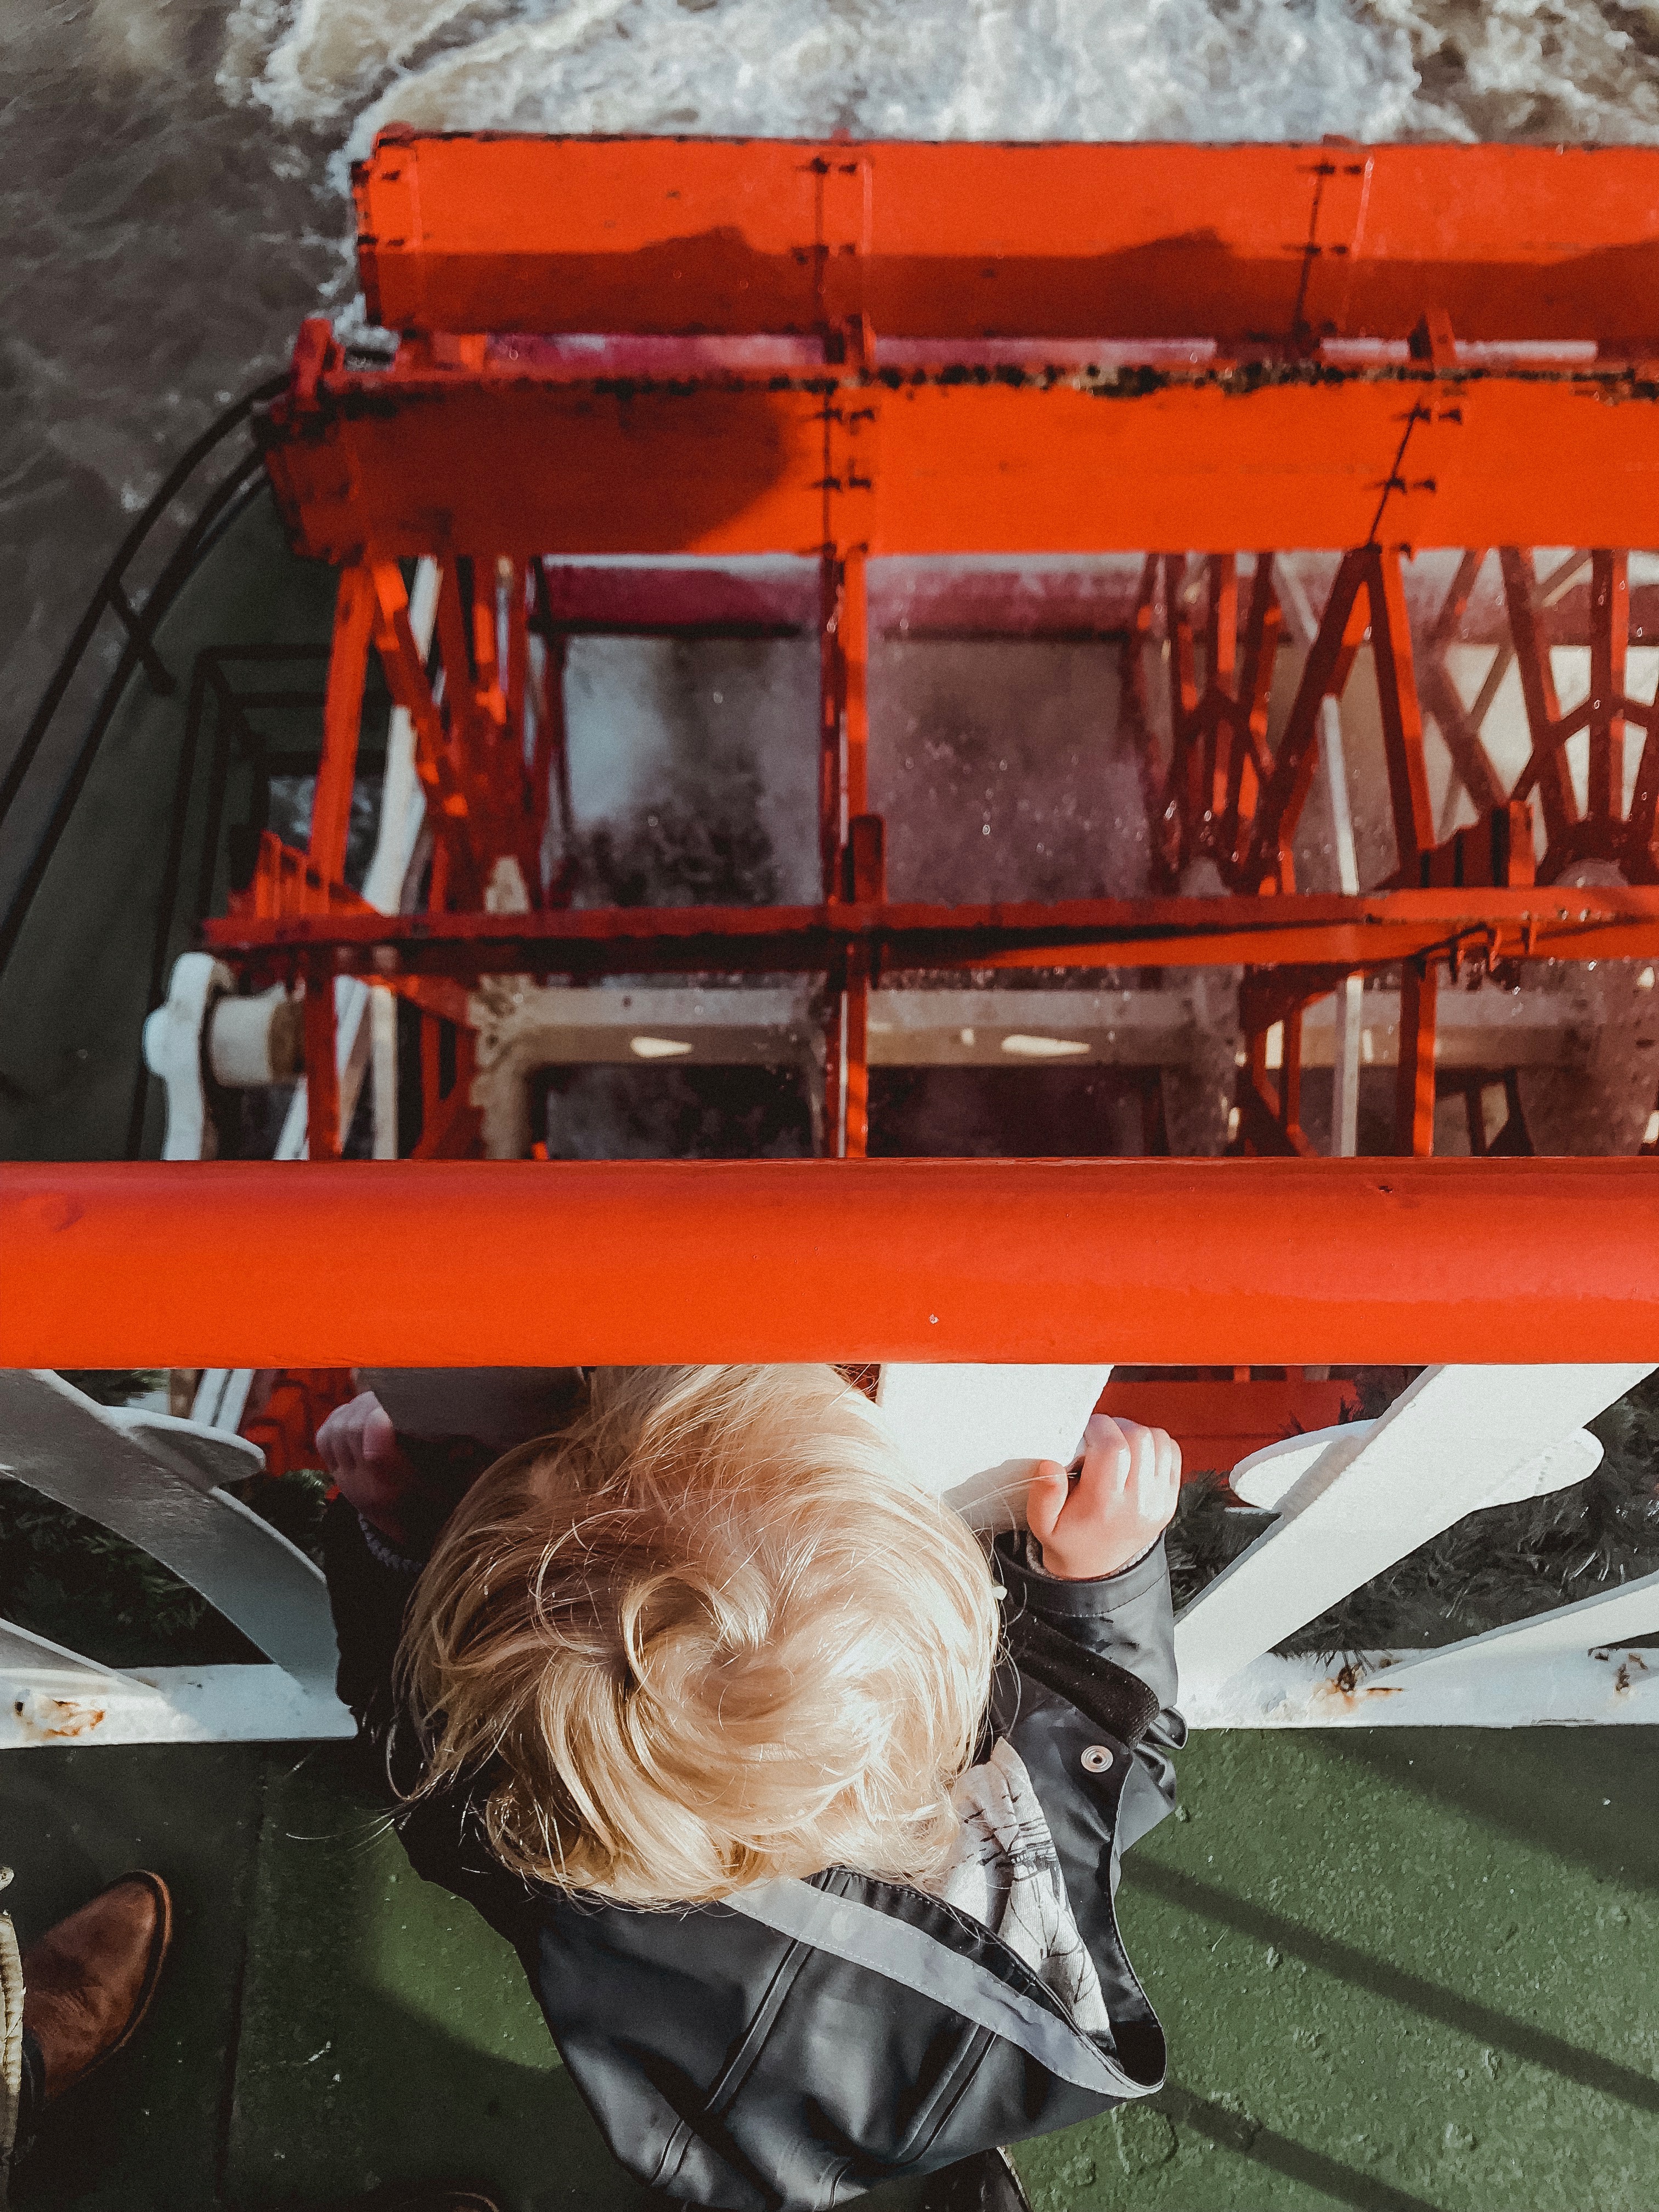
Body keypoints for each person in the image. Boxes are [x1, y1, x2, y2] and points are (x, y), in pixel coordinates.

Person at [317, 1365, 1185, 2212]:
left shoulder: (517, 1817)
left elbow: (407, 1748)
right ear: (940, 1681)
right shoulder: (1002, 1868)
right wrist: (1099, 1585)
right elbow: (1119, 1772)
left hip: (704, 2120)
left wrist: (393, 1532)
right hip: (885, 2088)